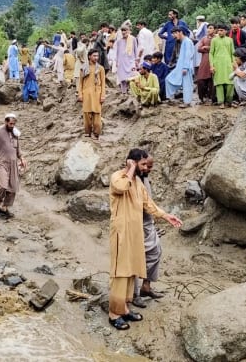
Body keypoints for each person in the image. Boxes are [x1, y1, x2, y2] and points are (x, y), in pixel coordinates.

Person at [107, 149, 181, 331]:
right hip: (121, 233)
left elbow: (148, 204)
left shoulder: (138, 183)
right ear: (131, 162)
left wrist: (166, 216)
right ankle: (114, 313)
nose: (145, 167)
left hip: (135, 233)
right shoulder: (118, 177)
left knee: (131, 270)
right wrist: (130, 169)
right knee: (121, 272)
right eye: (141, 164)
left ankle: (124, 308)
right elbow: (121, 188)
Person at [131, 154, 165, 308]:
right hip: (135, 225)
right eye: (145, 165)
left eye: (149, 166)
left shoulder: (143, 177)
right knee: (134, 259)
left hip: (147, 222)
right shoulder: (129, 179)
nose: (148, 169)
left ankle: (146, 286)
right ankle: (134, 294)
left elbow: (148, 202)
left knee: (155, 252)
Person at [0, 114, 27, 219]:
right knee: (3, 185)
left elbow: (18, 150)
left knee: (13, 187)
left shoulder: (15, 133)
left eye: (14, 124)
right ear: (5, 122)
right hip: (0, 163)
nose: (12, 125)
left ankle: (4, 208)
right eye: (10, 123)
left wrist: (22, 158)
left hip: (13, 164)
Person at [164, 26, 197, 108]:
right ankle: (170, 98)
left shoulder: (187, 41)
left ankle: (187, 102)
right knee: (168, 79)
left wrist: (185, 67)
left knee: (187, 84)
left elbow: (188, 55)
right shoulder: (182, 41)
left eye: (175, 33)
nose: (174, 35)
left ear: (180, 32)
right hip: (180, 66)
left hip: (185, 67)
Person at [78, 49, 107, 140]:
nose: (96, 58)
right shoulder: (83, 68)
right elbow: (80, 83)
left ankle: (96, 133)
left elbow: (103, 83)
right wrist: (80, 94)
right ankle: (88, 132)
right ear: (89, 56)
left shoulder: (100, 68)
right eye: (94, 56)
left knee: (97, 115)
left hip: (97, 94)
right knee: (87, 114)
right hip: (86, 94)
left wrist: (103, 95)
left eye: (97, 56)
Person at [210, 24, 236, 108]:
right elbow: (211, 53)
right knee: (219, 84)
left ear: (226, 31)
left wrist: (234, 63)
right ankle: (220, 102)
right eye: (219, 30)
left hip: (228, 64)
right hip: (217, 64)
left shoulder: (230, 40)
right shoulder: (214, 40)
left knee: (230, 83)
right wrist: (211, 65)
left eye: (222, 30)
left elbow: (233, 53)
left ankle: (229, 101)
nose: (220, 32)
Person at [115, 26, 140, 94]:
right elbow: (117, 52)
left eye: (125, 30)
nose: (124, 32)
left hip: (131, 61)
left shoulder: (133, 39)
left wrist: (136, 60)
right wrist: (117, 61)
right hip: (121, 61)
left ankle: (132, 92)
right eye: (122, 30)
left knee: (132, 76)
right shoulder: (119, 41)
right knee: (122, 77)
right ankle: (124, 92)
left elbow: (136, 50)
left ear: (128, 31)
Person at [196, 24, 215, 104]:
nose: (208, 30)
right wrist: (208, 49)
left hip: (214, 61)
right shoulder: (204, 38)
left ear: (215, 30)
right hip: (204, 61)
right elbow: (199, 48)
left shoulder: (216, 38)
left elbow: (217, 48)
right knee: (200, 80)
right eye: (208, 28)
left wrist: (207, 47)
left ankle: (211, 98)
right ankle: (201, 98)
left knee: (212, 81)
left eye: (211, 28)